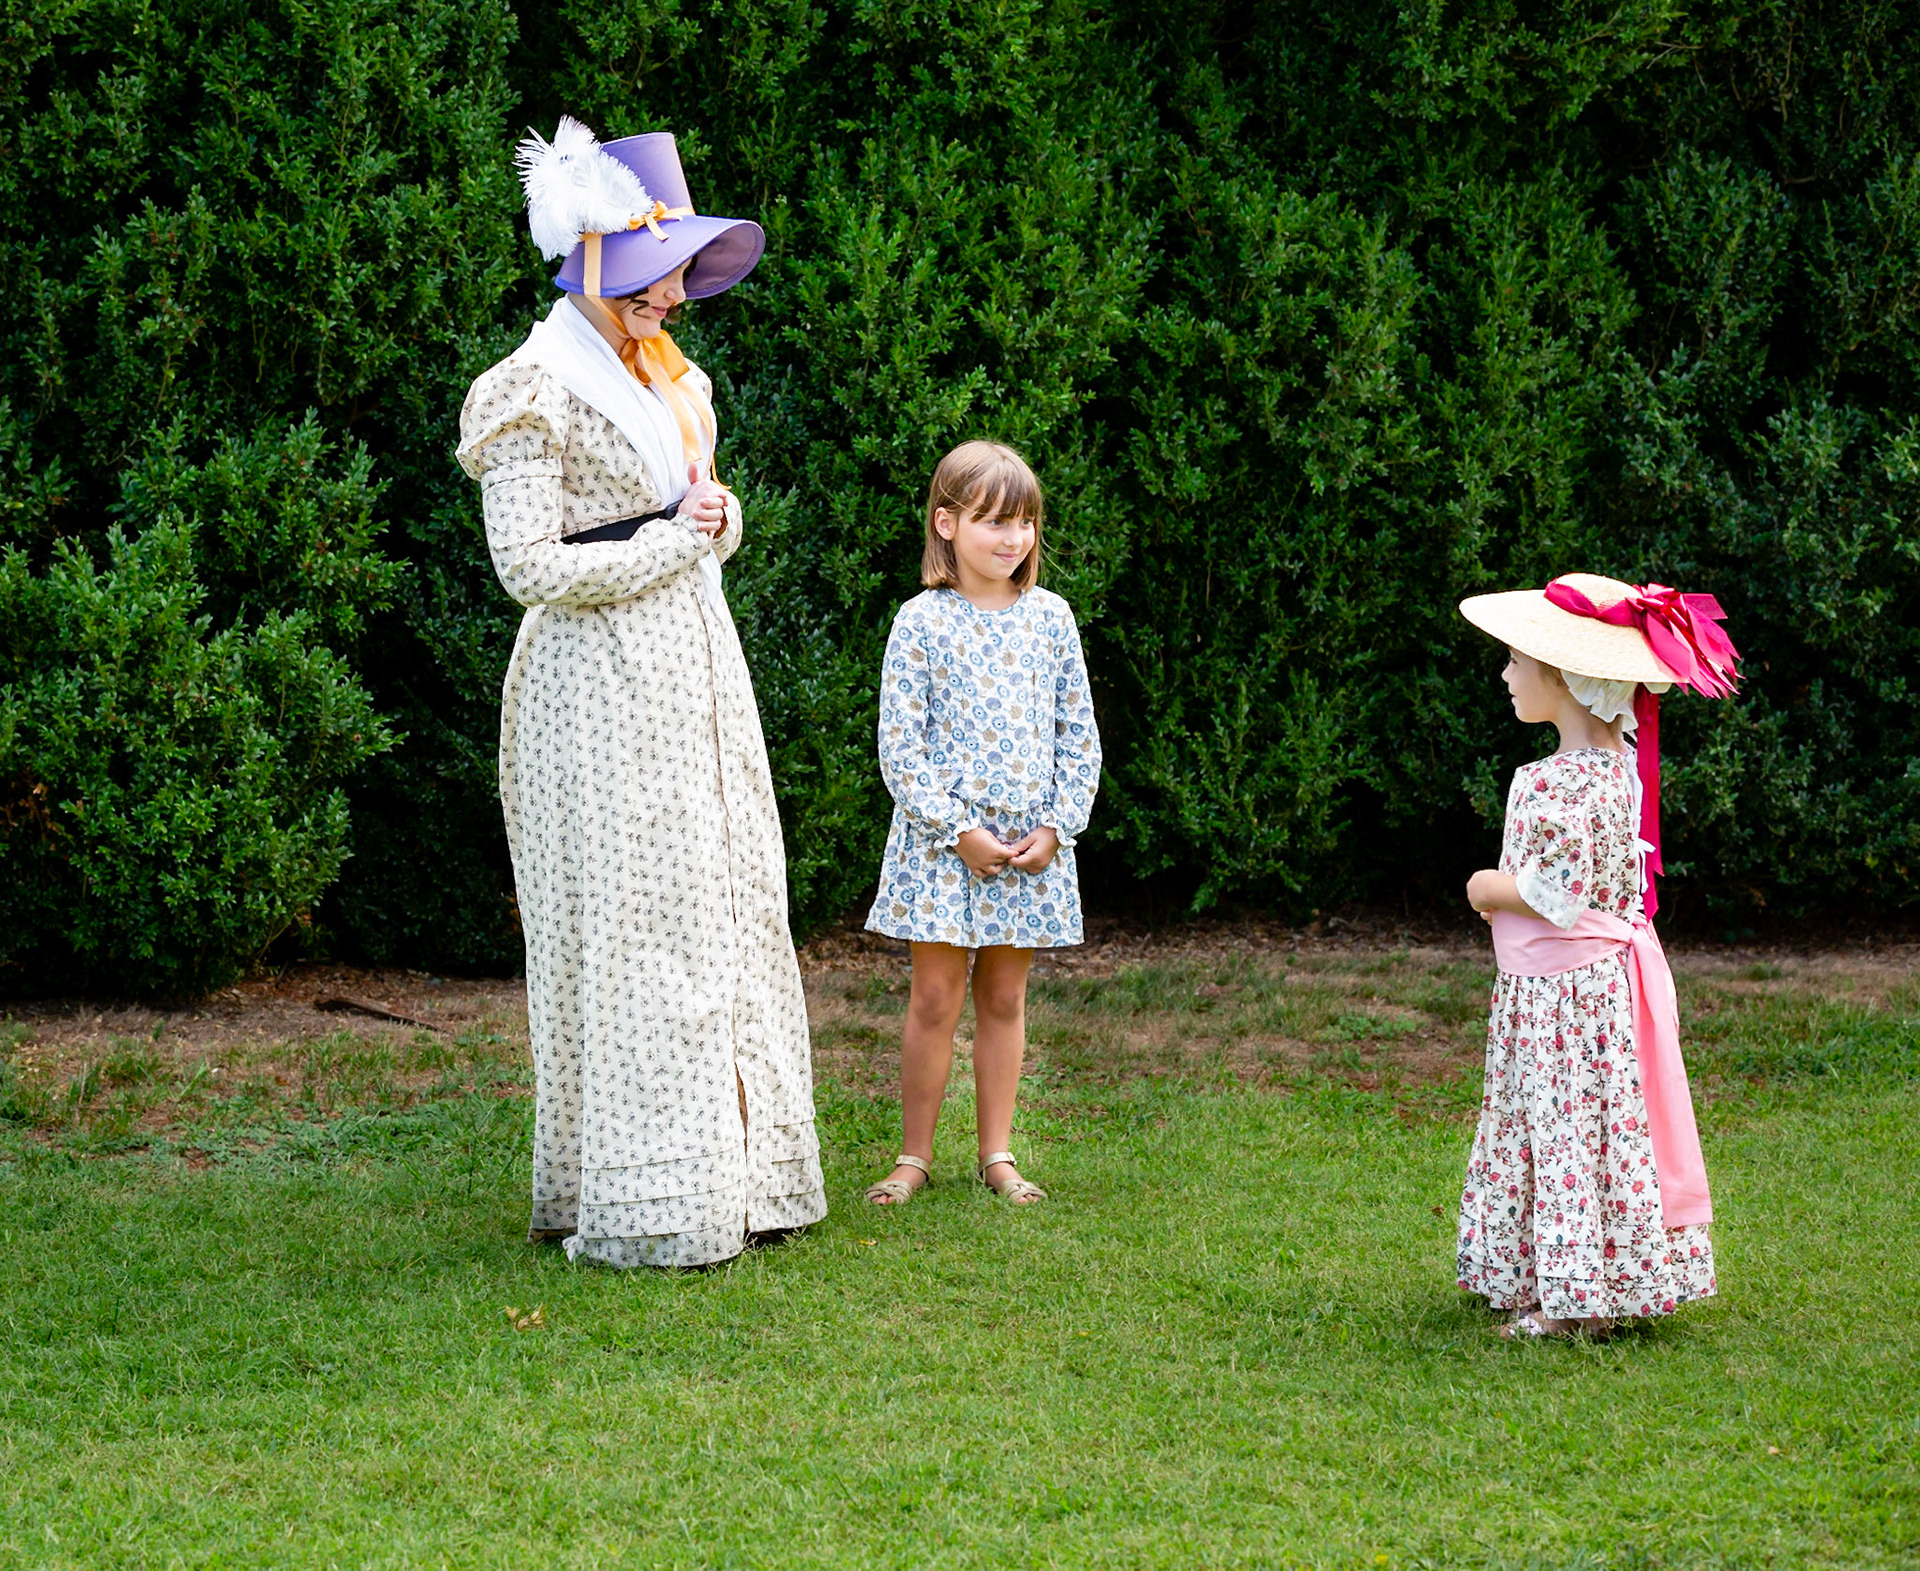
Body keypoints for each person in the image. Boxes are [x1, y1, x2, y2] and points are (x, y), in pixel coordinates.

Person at [455, 118, 826, 1267]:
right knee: (631, 923)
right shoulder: (528, 389)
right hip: (595, 687)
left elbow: (699, 509)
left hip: (696, 670)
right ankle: (642, 1199)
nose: (676, 295)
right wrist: (676, 545)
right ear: (601, 259)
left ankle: (739, 1180)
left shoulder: (671, 374)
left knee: (725, 900)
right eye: (661, 273)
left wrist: (716, 521)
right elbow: (529, 568)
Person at [1455, 573, 1740, 1337]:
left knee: (1560, 1127)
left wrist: (1487, 885)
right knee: (1593, 1125)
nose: (1506, 674)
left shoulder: (1556, 781)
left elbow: (1556, 891)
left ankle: (1573, 1294)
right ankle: (1587, 1274)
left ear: (1563, 679)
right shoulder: (1620, 767)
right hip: (1587, 991)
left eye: (1518, 661)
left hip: (1560, 994)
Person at [861, 441, 1101, 1207]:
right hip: (944, 850)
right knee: (935, 998)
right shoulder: (921, 622)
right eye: (994, 521)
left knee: (1004, 998)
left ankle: (997, 1154)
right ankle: (913, 1157)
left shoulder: (1052, 619)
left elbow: (1078, 733)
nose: (1012, 538)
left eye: (1025, 522)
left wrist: (1059, 828)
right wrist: (954, 827)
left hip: (1028, 849)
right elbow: (900, 745)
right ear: (946, 523)